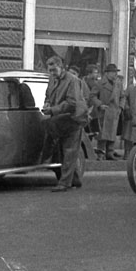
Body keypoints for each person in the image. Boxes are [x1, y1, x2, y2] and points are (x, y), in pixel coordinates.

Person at [41, 55, 84, 192]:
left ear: (61, 67)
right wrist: (47, 103)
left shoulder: (72, 80)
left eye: (54, 70)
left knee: (69, 152)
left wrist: (52, 109)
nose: (52, 73)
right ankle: (74, 180)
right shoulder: (52, 79)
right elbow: (48, 95)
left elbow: (72, 104)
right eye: (50, 70)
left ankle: (65, 183)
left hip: (72, 120)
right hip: (59, 121)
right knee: (62, 151)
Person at [89, 63, 125, 160]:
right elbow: (92, 96)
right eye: (113, 72)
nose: (115, 74)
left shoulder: (118, 84)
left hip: (114, 112)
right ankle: (101, 153)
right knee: (102, 133)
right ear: (107, 73)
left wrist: (120, 107)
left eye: (116, 72)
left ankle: (110, 152)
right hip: (104, 112)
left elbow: (122, 97)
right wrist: (99, 104)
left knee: (112, 133)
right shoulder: (100, 83)